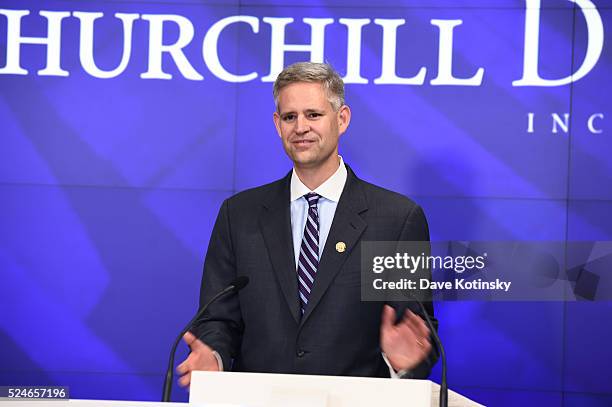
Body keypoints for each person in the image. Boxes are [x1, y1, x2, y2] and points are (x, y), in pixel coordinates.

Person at [177, 62, 437, 387]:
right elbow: (218, 318)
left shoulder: (395, 219)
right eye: (290, 117)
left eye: (313, 115)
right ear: (277, 124)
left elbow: (413, 331)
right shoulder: (239, 215)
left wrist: (403, 364)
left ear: (342, 119)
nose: (301, 127)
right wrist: (213, 356)